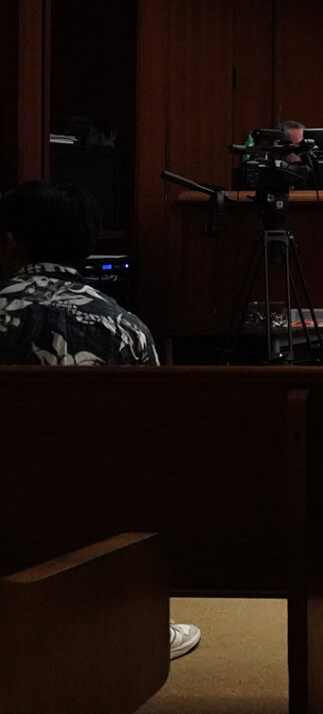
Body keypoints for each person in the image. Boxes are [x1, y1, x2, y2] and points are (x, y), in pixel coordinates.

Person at [0, 180, 201, 661]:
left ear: (10, 242)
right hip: (92, 510)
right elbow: (159, 432)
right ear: (87, 245)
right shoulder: (125, 326)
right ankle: (132, 621)